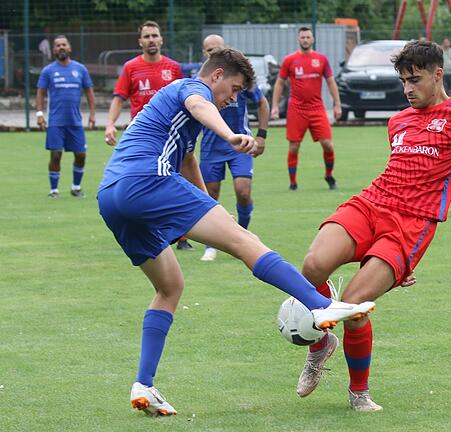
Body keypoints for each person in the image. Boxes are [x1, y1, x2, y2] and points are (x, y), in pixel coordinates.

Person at [96, 48, 377, 417]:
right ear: (216, 76)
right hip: (147, 181)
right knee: (246, 242)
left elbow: (187, 158)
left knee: (170, 287)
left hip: (111, 196)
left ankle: (143, 384)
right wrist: (230, 134)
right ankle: (321, 304)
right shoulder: (190, 88)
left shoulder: (175, 111)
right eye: (234, 87)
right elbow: (200, 106)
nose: (233, 97)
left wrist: (209, 205)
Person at [292, 40, 451, 412]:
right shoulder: (398, 120)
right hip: (371, 203)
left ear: (438, 74)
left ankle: (358, 393)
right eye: (403, 81)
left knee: (353, 306)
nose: (408, 88)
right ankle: (319, 346)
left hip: (410, 227)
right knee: (312, 265)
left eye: (415, 79)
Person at [104, 20, 190, 249]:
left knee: (176, 179)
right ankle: (153, 232)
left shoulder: (173, 68)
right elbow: (119, 98)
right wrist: (110, 124)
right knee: (147, 184)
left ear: (162, 39)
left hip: (171, 137)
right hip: (142, 140)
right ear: (140, 41)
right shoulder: (131, 68)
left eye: (155, 35)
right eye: (147, 36)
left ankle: (182, 236)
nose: (151, 40)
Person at [197, 35, 270, 262]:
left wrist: (262, 136)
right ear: (204, 53)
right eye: (209, 50)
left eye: (216, 49)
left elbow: (262, 103)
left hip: (240, 144)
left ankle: (242, 235)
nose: (212, 53)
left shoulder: (238, 79)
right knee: (210, 195)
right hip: (210, 147)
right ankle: (211, 245)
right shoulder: (199, 85)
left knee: (243, 191)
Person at [271, 26, 341, 191]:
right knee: (294, 146)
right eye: (302, 37)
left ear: (312, 39)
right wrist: (274, 106)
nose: (305, 40)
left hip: (317, 108)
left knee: (328, 145)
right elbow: (279, 83)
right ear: (298, 39)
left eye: (308, 37)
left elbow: (331, 81)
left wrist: (337, 104)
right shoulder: (290, 60)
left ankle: (329, 176)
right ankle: (293, 182)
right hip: (296, 108)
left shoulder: (321, 59)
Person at [36, 35, 95, 199]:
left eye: (64, 45)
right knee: (56, 154)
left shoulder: (80, 69)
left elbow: (89, 92)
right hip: (56, 122)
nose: (61, 47)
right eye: (57, 45)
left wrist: (92, 114)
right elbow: (40, 93)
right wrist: (39, 114)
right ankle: (54, 190)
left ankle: (76, 187)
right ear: (54, 50)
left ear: (69, 48)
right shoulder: (48, 71)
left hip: (75, 122)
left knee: (81, 155)